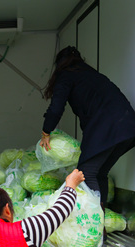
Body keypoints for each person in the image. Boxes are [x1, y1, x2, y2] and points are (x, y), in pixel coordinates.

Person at [41, 46, 135, 208]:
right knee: (99, 173)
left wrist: (46, 131)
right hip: (128, 127)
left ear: (59, 64)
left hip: (108, 127)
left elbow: (56, 108)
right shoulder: (91, 74)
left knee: (85, 174)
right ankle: (100, 224)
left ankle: (95, 225)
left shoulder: (66, 75)